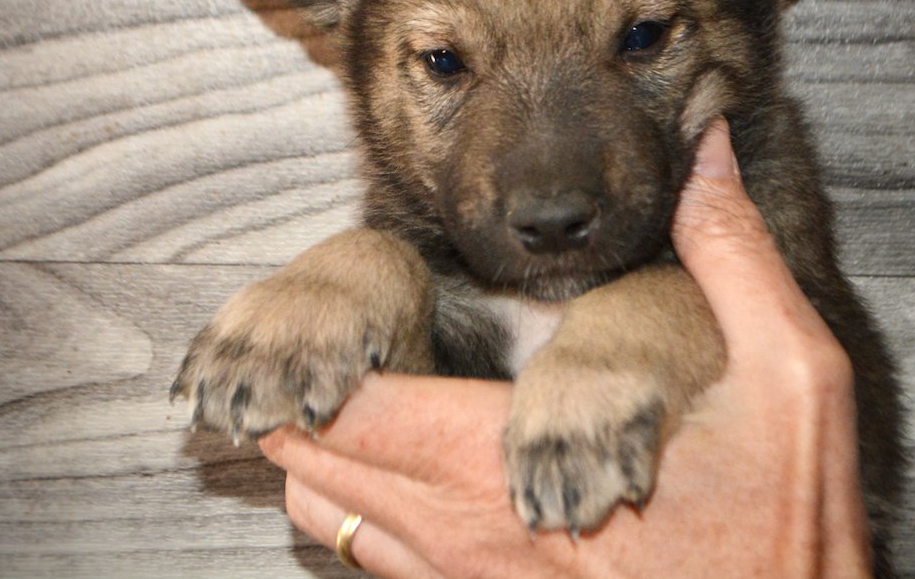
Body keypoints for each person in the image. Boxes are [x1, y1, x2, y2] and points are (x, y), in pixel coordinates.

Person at [258, 120, 873, 577]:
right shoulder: (409, 264)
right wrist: (349, 278)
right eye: (447, 61)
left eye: (642, 38)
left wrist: (649, 328)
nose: (550, 195)